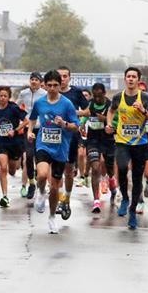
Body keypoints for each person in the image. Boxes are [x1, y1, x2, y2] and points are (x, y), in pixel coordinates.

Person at [105, 67, 148, 230]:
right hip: (122, 141)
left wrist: (143, 111)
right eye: (128, 76)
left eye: (134, 77)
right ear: (125, 79)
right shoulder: (118, 97)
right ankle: (125, 198)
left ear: (138, 80)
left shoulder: (145, 97)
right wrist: (108, 123)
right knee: (121, 168)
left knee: (136, 179)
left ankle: (133, 211)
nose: (131, 79)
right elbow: (111, 110)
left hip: (140, 143)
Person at [28, 70, 80, 234]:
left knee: (56, 187)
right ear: (45, 85)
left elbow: (75, 126)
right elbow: (32, 118)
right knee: (42, 175)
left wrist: (64, 123)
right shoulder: (40, 103)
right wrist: (30, 131)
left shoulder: (66, 104)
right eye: (49, 85)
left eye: (55, 85)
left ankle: (51, 217)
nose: (52, 88)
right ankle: (41, 192)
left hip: (60, 148)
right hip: (43, 144)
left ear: (60, 85)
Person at [57, 66, 89, 214]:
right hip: (54, 135)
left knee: (68, 171)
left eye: (65, 76)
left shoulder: (76, 92)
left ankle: (67, 198)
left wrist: (76, 112)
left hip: (71, 135)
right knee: (55, 169)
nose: (62, 79)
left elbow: (88, 111)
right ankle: (58, 198)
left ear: (70, 78)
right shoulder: (51, 92)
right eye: (60, 76)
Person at [82, 82, 116, 213]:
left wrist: (106, 120)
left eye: (99, 96)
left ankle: (112, 181)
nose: (97, 99)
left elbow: (116, 120)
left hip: (107, 140)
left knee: (109, 168)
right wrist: (81, 124)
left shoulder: (110, 105)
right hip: (93, 140)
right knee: (95, 167)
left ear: (104, 94)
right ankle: (96, 200)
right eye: (95, 96)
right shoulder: (90, 103)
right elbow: (87, 114)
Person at [0, 86, 27, 208]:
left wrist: (15, 131)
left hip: (14, 143)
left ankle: (17, 165)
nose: (2, 98)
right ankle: (5, 196)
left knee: (12, 169)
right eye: (0, 95)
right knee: (3, 168)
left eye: (5, 96)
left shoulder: (13, 108)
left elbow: (26, 121)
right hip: (1, 142)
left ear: (9, 97)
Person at [16, 72, 47, 199]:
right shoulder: (24, 93)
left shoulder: (45, 94)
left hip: (42, 129)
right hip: (29, 129)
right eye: (32, 79)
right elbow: (15, 106)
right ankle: (31, 183)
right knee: (28, 156)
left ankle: (42, 183)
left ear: (41, 82)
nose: (33, 81)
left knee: (40, 157)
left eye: (36, 80)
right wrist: (21, 118)